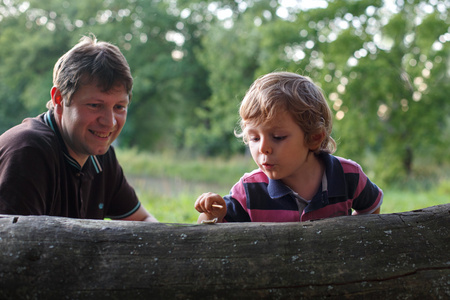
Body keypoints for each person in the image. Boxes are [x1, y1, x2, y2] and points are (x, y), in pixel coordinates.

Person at [0, 35, 157, 222]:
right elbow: (14, 246)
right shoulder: (28, 151)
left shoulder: (101, 157)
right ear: (59, 99)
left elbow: (142, 221)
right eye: (94, 105)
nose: (110, 122)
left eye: (119, 107)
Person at [195, 71, 383, 223]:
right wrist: (212, 214)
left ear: (314, 138)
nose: (263, 148)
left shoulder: (348, 175)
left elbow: (371, 209)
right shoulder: (248, 191)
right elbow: (209, 234)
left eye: (278, 137)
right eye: (254, 138)